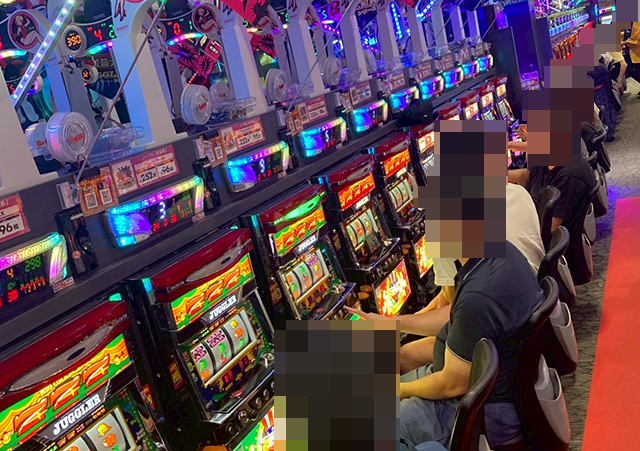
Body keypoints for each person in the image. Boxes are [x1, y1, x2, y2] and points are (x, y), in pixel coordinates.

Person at [348, 243, 544, 448]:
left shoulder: (479, 295)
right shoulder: (498, 254)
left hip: (482, 411)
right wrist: (393, 324)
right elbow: (455, 316)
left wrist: (402, 389)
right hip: (480, 389)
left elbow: (452, 384)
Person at [622, 23, 640, 98]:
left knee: (634, 71)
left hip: (637, 53)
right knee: (631, 71)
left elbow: (636, 40)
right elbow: (627, 33)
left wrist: (623, 43)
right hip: (631, 51)